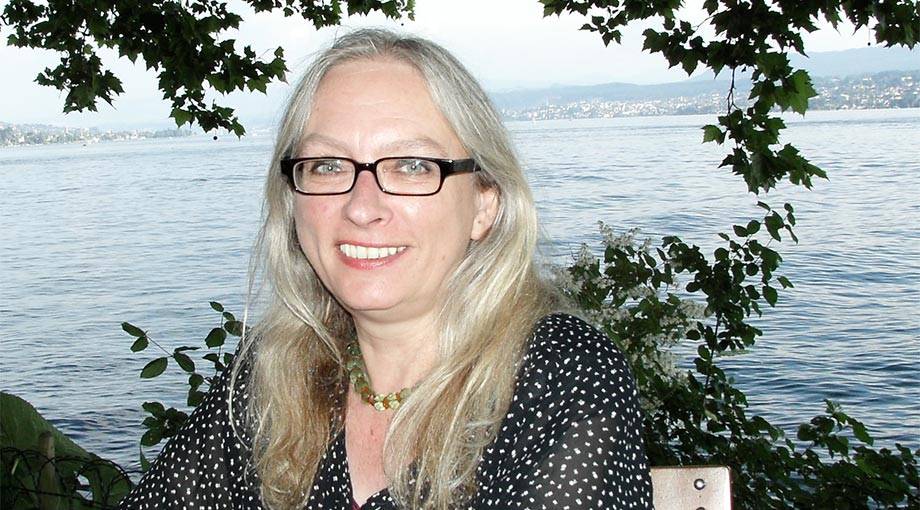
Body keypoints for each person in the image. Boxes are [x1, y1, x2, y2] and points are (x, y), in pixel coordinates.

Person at [119, 28, 652, 509]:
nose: (361, 206)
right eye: (327, 165)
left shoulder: (562, 376)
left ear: (484, 203)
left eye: (413, 165)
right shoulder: (272, 373)